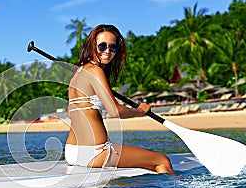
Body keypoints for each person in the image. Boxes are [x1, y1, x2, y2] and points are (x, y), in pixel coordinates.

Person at [65, 24, 173, 174]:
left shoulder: (78, 73)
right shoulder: (95, 71)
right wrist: (140, 111)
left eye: (112, 47)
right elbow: (115, 111)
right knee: (162, 161)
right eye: (102, 46)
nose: (107, 51)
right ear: (92, 46)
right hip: (94, 152)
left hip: (72, 152)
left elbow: (72, 114)